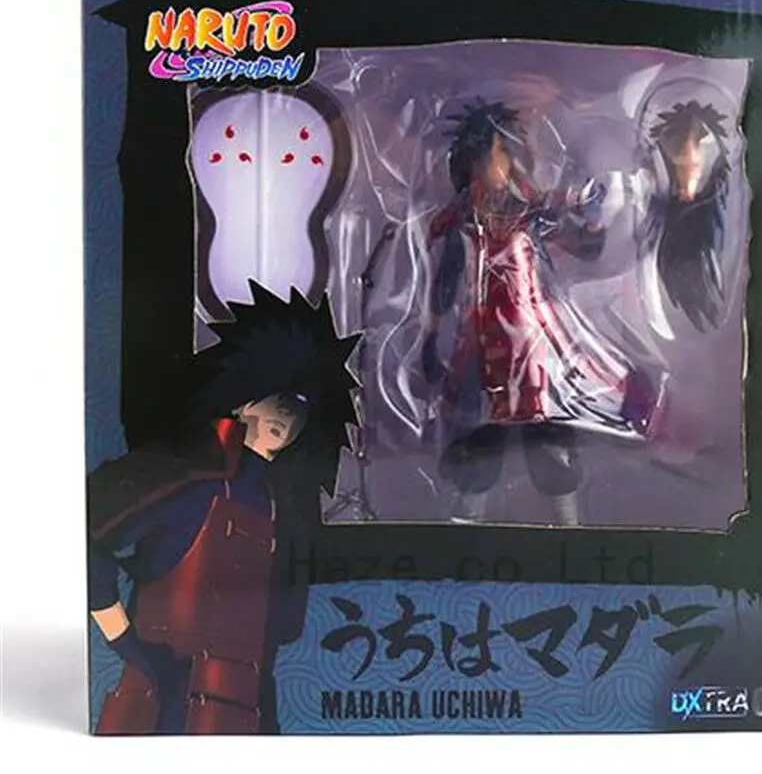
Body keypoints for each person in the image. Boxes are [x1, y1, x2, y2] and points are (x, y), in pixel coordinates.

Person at [87, 282, 359, 734]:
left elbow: (284, 628)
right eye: (277, 396)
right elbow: (89, 538)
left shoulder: (285, 515)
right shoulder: (188, 478)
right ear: (245, 391)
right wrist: (129, 647)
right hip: (161, 709)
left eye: (301, 406)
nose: (287, 414)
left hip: (248, 713)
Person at [422, 100, 660, 525]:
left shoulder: (530, 211)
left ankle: (568, 524)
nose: (498, 164)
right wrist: (429, 335)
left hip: (534, 340)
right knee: (478, 437)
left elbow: (584, 247)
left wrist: (593, 220)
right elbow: (444, 282)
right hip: (480, 341)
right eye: (490, 155)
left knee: (549, 435)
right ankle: (466, 521)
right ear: (473, 161)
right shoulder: (461, 222)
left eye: (503, 153)